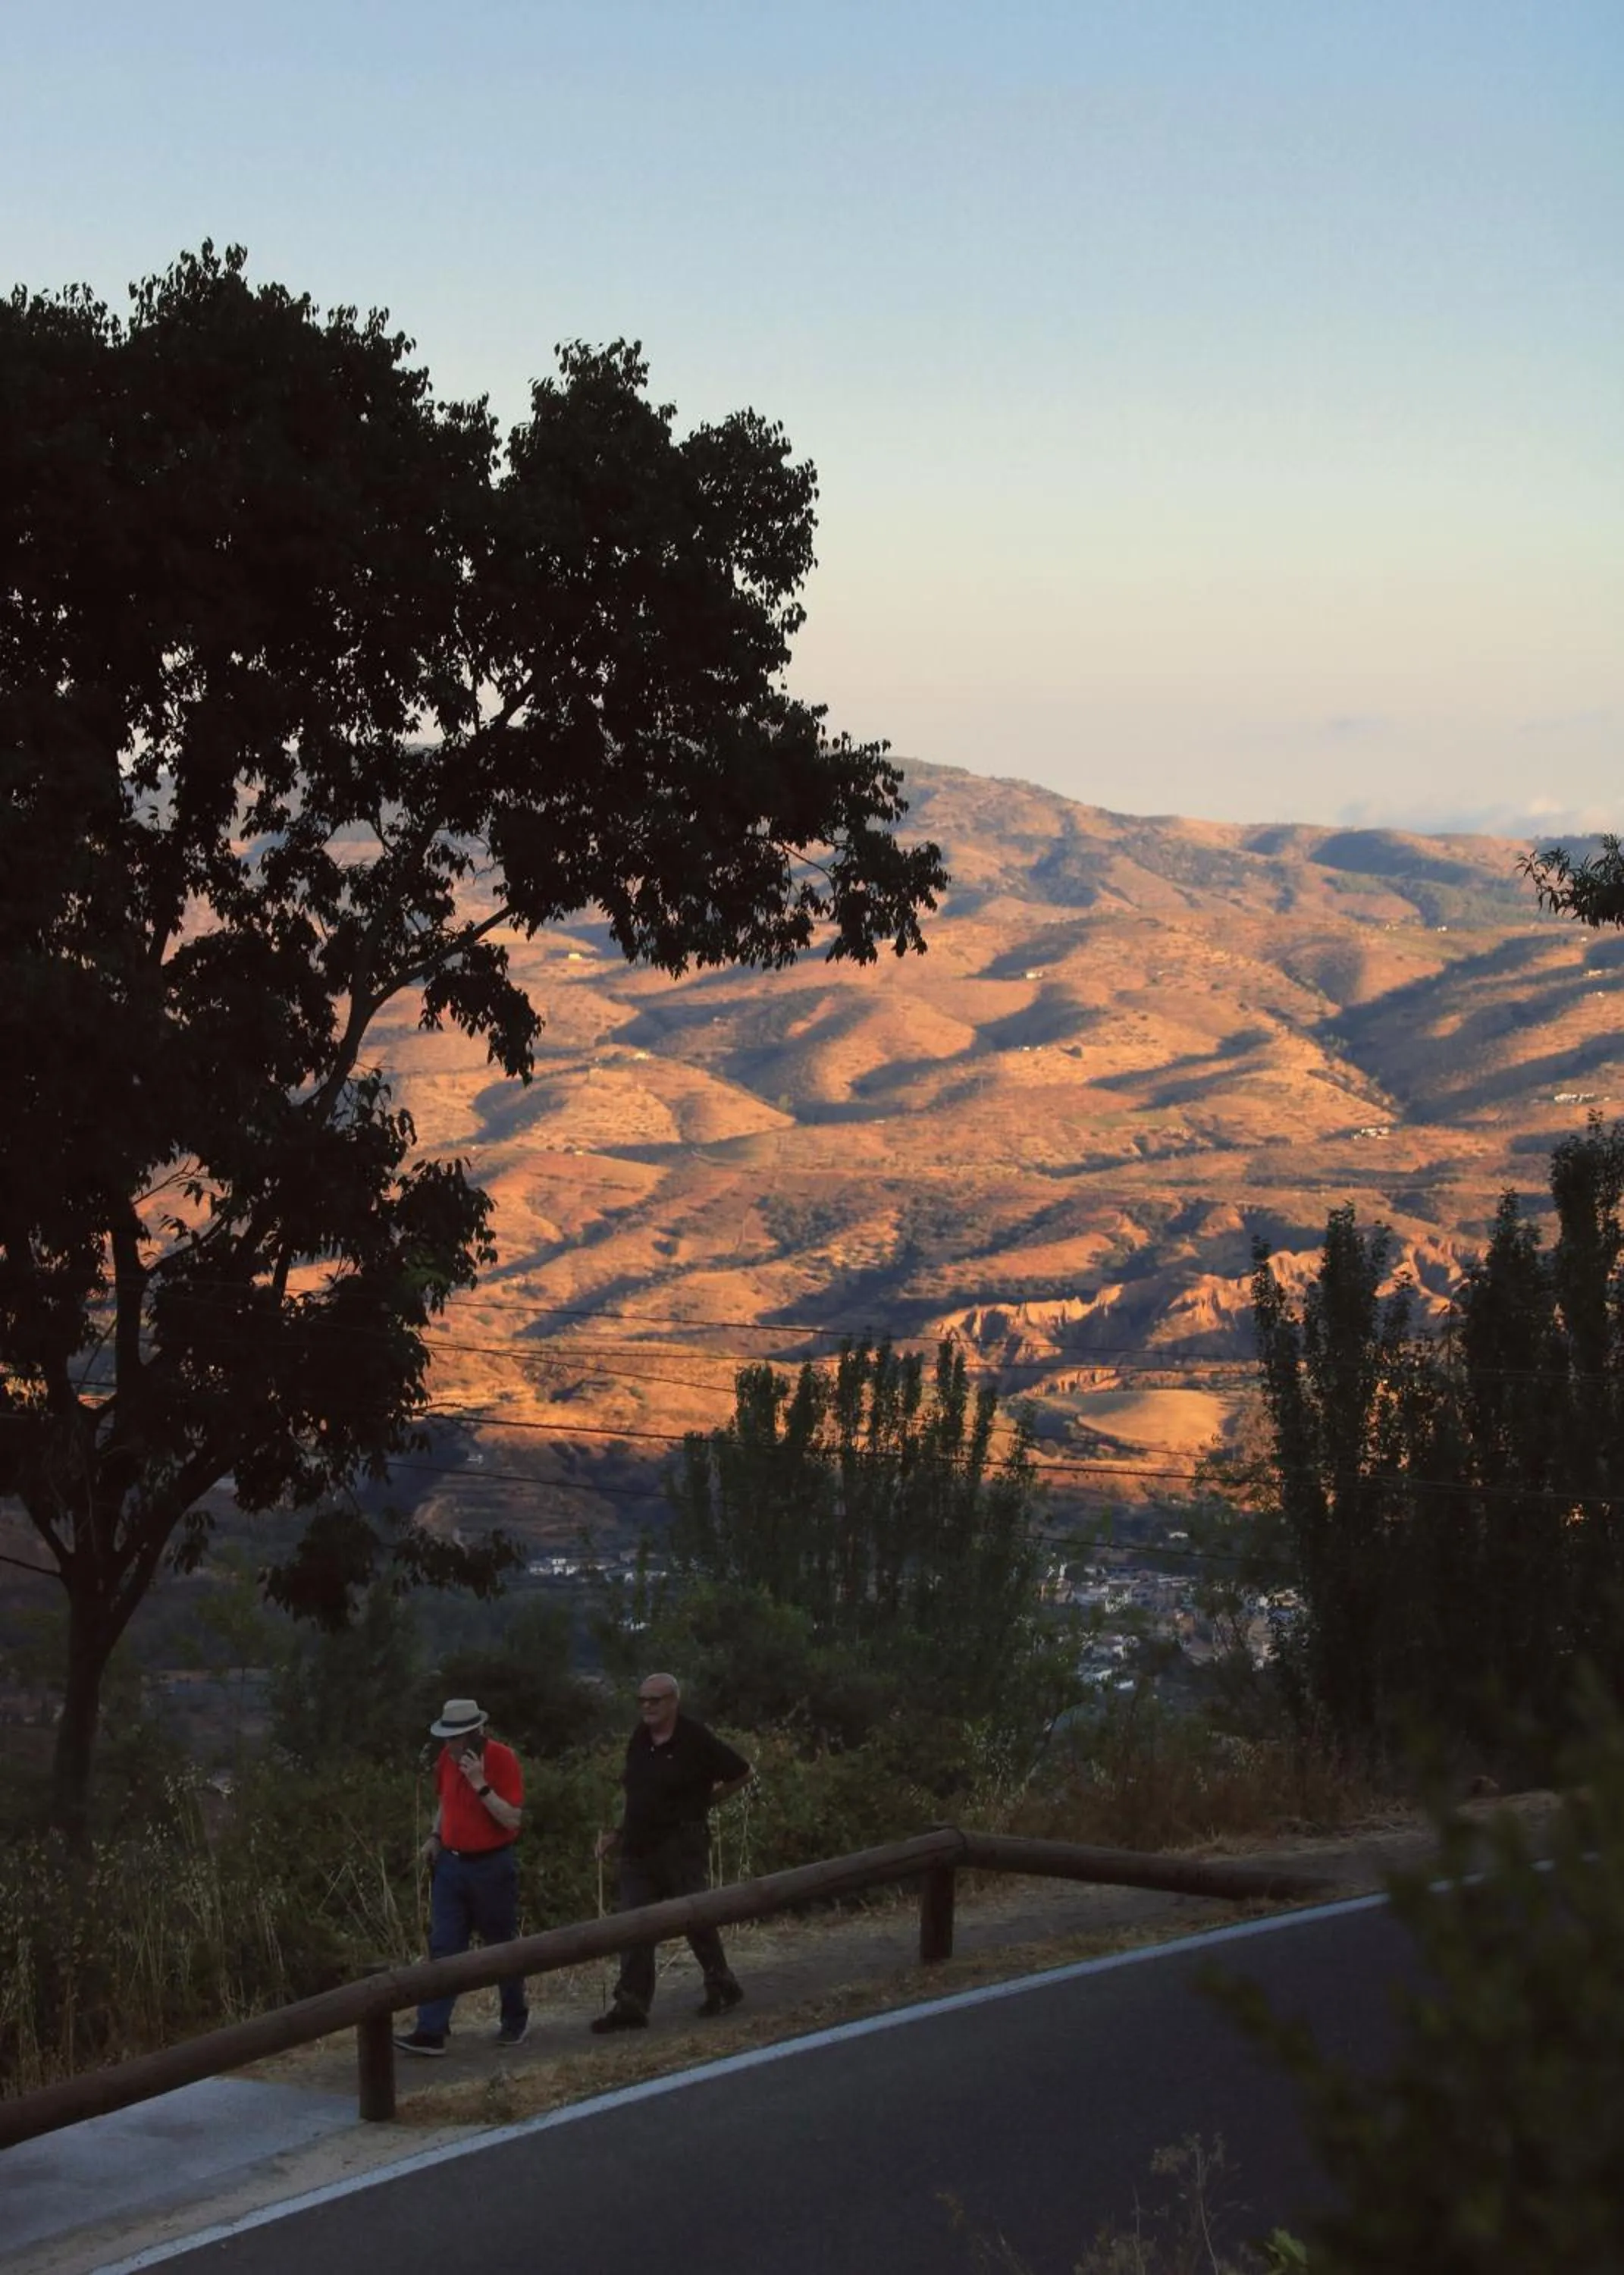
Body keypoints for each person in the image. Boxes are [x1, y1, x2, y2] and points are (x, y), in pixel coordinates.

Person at [590, 1672, 753, 2032]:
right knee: (633, 1923)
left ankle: (721, 1984)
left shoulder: (695, 1739)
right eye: (642, 1700)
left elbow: (741, 1772)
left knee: (695, 1917)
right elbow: (635, 1794)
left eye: (655, 1700)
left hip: (682, 1845)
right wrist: (616, 1834)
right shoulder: (639, 1739)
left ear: (673, 1702)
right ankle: (631, 2004)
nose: (646, 1707)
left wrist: (706, 1803)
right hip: (638, 1844)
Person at [394, 1697, 529, 2055]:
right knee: (444, 1946)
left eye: (456, 1739)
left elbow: (512, 1819)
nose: (450, 1746)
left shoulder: (502, 1759)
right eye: (447, 1739)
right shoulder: (445, 1760)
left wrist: (480, 1783)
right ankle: (431, 2029)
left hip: (491, 1864)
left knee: (500, 1945)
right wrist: (436, 1836)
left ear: (474, 1735)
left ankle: (514, 2018)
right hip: (452, 1864)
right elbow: (445, 1802)